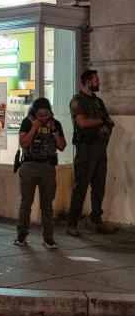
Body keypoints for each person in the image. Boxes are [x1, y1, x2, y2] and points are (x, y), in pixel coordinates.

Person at [67, 69, 116, 236]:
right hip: (85, 149)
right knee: (81, 186)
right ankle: (72, 223)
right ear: (87, 82)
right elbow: (82, 122)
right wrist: (101, 121)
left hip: (100, 148)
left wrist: (104, 125)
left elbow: (109, 121)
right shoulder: (77, 101)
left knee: (99, 186)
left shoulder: (98, 101)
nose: (99, 82)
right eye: (96, 80)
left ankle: (96, 220)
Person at [14, 98, 67, 249]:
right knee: (26, 202)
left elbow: (62, 146)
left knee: (47, 204)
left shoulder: (55, 124)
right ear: (34, 113)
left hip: (47, 167)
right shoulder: (27, 122)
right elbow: (24, 143)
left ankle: (48, 238)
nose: (44, 118)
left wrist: (54, 132)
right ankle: (21, 236)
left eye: (46, 115)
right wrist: (34, 127)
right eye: (40, 116)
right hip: (29, 166)